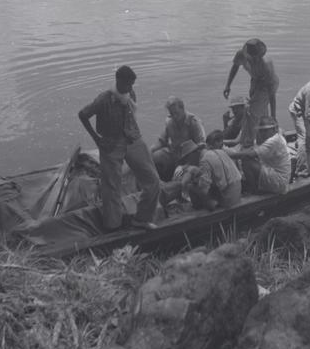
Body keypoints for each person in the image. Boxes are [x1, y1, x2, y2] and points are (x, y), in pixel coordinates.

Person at [78, 65, 160, 231]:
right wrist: (96, 138)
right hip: (110, 144)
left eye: (132, 84)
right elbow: (83, 114)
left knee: (153, 180)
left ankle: (142, 219)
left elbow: (132, 116)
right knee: (111, 187)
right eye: (128, 84)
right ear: (118, 81)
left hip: (133, 139)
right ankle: (113, 227)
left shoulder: (130, 94)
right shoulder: (103, 99)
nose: (130, 88)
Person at [223, 38, 279, 147]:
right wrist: (228, 85)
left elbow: (271, 93)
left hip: (267, 85)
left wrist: (274, 116)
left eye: (258, 57)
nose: (256, 59)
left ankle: (246, 143)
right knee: (260, 113)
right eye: (253, 57)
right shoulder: (240, 55)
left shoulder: (266, 65)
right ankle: (262, 139)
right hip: (255, 81)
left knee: (251, 112)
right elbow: (235, 67)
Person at [162, 134, 242, 211]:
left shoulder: (204, 161)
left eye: (187, 158)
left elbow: (204, 189)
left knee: (191, 187)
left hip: (229, 200)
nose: (187, 161)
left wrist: (194, 184)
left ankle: (207, 206)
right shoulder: (217, 151)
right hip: (237, 191)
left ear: (193, 153)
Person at [225, 116, 290, 195]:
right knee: (246, 157)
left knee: (246, 161)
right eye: (261, 131)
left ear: (273, 129)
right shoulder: (275, 136)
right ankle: (255, 185)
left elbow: (250, 154)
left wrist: (231, 154)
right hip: (278, 177)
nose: (262, 133)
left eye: (265, 131)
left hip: (280, 182)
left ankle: (253, 191)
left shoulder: (274, 141)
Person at [151, 96, 206, 182]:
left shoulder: (193, 122)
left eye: (176, 113)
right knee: (155, 157)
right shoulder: (170, 122)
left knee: (177, 179)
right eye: (172, 114)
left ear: (182, 108)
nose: (174, 116)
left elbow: (201, 145)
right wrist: (150, 152)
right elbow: (162, 141)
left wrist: (185, 166)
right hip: (175, 154)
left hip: (190, 158)